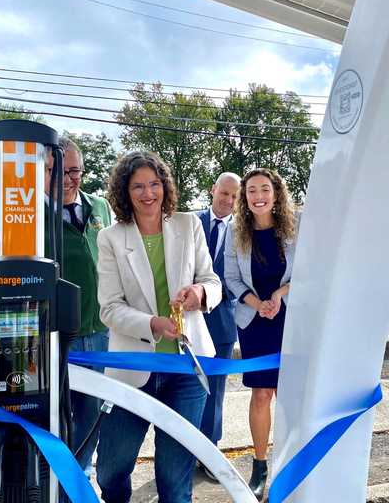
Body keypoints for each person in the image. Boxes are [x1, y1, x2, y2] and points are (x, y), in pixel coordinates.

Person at [95, 151, 222, 503]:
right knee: (111, 469)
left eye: (154, 184)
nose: (148, 193)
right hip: (133, 369)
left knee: (174, 479)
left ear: (165, 186)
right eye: (138, 186)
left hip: (186, 368)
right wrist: (152, 323)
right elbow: (110, 308)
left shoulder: (188, 225)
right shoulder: (110, 238)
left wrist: (200, 292)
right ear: (125, 192)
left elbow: (212, 281)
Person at [224, 168, 298, 501]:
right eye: (251, 190)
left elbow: (311, 271)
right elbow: (231, 278)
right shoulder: (235, 231)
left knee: (290, 394)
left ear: (276, 192)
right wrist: (258, 303)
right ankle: (260, 464)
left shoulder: (296, 228)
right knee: (262, 394)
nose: (258, 196)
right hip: (254, 322)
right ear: (244, 197)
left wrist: (279, 296)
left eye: (264, 189)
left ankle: (290, 460)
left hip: (290, 320)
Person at [44, 137, 114, 478]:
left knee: (93, 412)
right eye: (58, 171)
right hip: (57, 336)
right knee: (58, 411)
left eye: (75, 171)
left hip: (99, 329)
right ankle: (56, 479)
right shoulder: (29, 213)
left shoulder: (99, 207)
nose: (69, 179)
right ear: (43, 171)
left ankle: (80, 477)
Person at [195, 172, 241, 481]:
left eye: (235, 197)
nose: (228, 201)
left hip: (223, 324)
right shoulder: (190, 222)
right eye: (224, 193)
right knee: (184, 387)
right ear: (213, 190)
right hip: (188, 321)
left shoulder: (242, 231)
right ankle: (183, 447)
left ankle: (209, 453)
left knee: (215, 393)